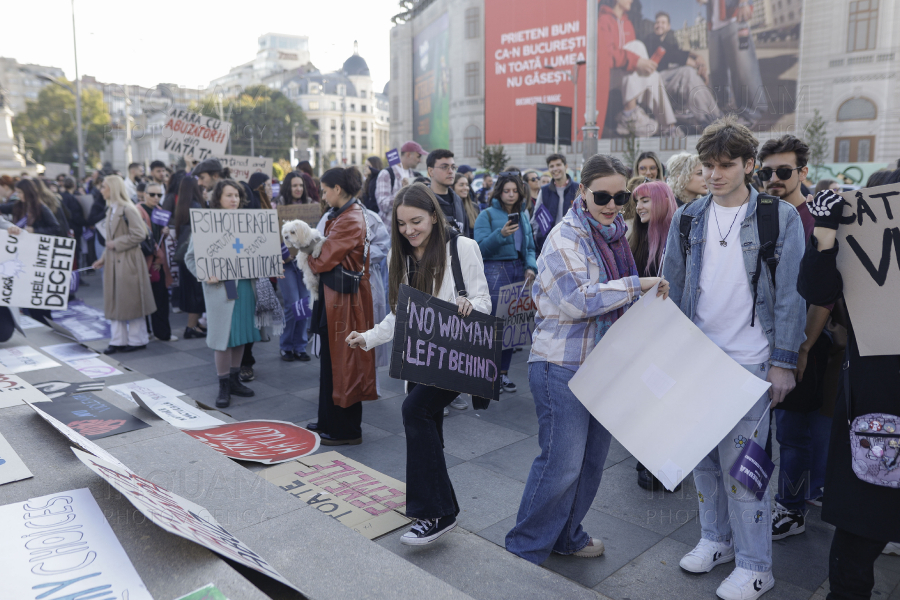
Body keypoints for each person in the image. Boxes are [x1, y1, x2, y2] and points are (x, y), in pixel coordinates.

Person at [662, 117, 806, 600]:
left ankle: (755, 566)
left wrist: (783, 361)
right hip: (697, 359)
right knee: (703, 463)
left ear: (749, 165)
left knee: (746, 472)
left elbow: (790, 296)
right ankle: (716, 540)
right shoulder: (688, 217)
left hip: (750, 362)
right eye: (707, 165)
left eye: (725, 165)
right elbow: (673, 288)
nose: (714, 174)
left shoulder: (777, 217)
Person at [506, 154, 668, 564]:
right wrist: (636, 285)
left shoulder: (615, 233)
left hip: (604, 363)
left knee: (592, 462)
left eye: (621, 195)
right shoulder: (565, 237)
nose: (613, 204)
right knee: (561, 463)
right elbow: (577, 300)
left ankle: (566, 535)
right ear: (582, 192)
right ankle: (523, 549)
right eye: (602, 195)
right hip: (560, 364)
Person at [346, 183, 492, 545]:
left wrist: (471, 308)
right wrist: (368, 338)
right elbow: (401, 313)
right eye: (402, 224)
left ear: (433, 216)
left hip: (455, 357)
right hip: (422, 359)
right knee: (429, 431)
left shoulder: (462, 247)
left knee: (415, 411)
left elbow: (484, 301)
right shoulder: (405, 257)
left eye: (417, 221)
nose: (409, 230)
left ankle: (436, 512)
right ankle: (434, 498)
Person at [798, 169, 900, 598]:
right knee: (856, 545)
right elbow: (815, 287)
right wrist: (824, 234)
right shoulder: (856, 230)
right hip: (878, 412)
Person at [757, 135, 834, 541]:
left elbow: (824, 296)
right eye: (765, 172)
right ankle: (752, 502)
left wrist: (801, 348)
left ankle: (791, 510)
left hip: (804, 344)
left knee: (792, 433)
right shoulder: (759, 214)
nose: (773, 179)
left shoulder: (816, 222)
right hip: (759, 342)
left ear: (803, 173)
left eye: (783, 171)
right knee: (755, 430)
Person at [306, 167, 377, 445]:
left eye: (324, 190)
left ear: (337, 189)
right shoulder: (346, 214)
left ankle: (346, 430)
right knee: (332, 362)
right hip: (336, 296)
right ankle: (328, 420)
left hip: (346, 300)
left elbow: (321, 258)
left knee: (344, 364)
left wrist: (309, 255)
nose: (323, 196)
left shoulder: (351, 218)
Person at [184, 180, 258, 408]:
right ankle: (223, 385)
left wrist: (271, 266)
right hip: (221, 288)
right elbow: (190, 258)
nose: (234, 199)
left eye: (237, 195)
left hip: (244, 285)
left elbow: (258, 249)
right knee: (223, 338)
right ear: (218, 198)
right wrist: (205, 274)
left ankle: (235, 380)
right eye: (229, 195)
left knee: (240, 334)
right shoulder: (207, 224)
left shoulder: (248, 221)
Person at [628, 180, 679, 491]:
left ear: (661, 201)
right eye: (637, 202)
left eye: (645, 200)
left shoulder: (680, 235)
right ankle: (646, 460)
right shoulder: (634, 237)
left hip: (672, 331)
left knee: (669, 399)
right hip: (642, 332)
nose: (639, 207)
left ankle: (665, 461)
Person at [474, 172, 537, 397]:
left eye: (514, 191)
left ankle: (502, 373)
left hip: (519, 271)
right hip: (494, 271)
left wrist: (531, 267)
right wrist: (500, 234)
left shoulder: (523, 215)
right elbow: (479, 249)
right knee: (493, 325)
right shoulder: (487, 215)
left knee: (513, 325)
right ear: (499, 192)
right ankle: (485, 373)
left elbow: (529, 247)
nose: (511, 195)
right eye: (506, 190)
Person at [91, 176, 156, 355]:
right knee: (116, 301)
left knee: (131, 301)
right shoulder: (112, 209)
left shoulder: (127, 209)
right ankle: (119, 340)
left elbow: (140, 234)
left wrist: (116, 244)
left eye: (104, 186)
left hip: (128, 260)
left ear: (112, 189)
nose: (101, 189)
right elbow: (112, 240)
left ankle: (136, 339)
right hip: (116, 260)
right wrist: (103, 258)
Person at [599, 0, 676, 137]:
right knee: (637, 46)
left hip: (626, 77)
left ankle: (668, 127)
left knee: (655, 76)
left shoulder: (628, 24)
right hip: (608, 75)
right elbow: (608, 56)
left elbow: (631, 60)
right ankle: (629, 113)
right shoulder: (603, 20)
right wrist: (637, 61)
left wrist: (640, 64)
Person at [642, 11, 723, 131]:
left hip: (664, 80)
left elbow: (676, 51)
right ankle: (709, 120)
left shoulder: (667, 41)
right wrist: (695, 62)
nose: (659, 25)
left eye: (663, 22)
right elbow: (669, 54)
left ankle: (716, 117)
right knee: (687, 73)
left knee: (690, 72)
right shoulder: (650, 40)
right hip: (653, 82)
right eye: (657, 22)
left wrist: (697, 57)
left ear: (668, 26)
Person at [705, 0, 767, 127]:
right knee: (717, 71)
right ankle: (724, 108)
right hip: (714, 27)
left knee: (743, 69)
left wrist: (744, 3)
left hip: (734, 20)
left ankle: (751, 113)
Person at [277, 172, 312, 362]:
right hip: (287, 264)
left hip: (304, 262)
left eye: (300, 185)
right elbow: (275, 234)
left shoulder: (310, 206)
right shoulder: (279, 207)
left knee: (304, 305)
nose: (298, 188)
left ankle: (300, 346)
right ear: (287, 187)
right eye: (294, 185)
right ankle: (286, 345)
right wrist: (286, 254)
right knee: (292, 305)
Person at [138, 182, 176, 343]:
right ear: (144, 194)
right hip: (144, 260)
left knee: (160, 298)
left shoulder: (160, 212)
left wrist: (165, 233)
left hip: (158, 262)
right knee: (143, 298)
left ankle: (162, 333)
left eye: (159, 195)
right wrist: (158, 255)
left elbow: (159, 238)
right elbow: (142, 238)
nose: (156, 198)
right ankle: (145, 332)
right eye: (152, 194)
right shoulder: (137, 211)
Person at [172, 177, 206, 339]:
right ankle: (190, 327)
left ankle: (195, 324)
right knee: (196, 293)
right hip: (195, 254)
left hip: (185, 255)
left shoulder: (182, 206)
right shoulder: (196, 205)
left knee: (191, 291)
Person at [531, 154, 579, 253]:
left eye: (558, 165)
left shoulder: (577, 188)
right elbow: (536, 218)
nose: (555, 169)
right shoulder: (544, 190)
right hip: (549, 243)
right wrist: (539, 239)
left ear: (566, 166)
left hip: (572, 243)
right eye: (551, 166)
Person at [375, 141, 425, 228]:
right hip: (390, 231)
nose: (420, 160)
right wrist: (402, 192)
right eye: (418, 156)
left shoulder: (414, 175)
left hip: (410, 230)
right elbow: (383, 205)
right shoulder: (386, 174)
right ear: (408, 155)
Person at [425, 149, 469, 237]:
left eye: (453, 167)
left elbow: (466, 235)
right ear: (431, 171)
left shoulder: (457, 200)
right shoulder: (423, 200)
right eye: (444, 167)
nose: (450, 171)